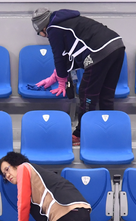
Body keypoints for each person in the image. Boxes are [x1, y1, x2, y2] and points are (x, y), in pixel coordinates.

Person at [31, 8, 125, 145]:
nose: (44, 36)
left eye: (40, 33)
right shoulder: (67, 21)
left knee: (86, 94)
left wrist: (62, 81)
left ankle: (81, 134)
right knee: (106, 94)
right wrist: (55, 76)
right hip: (117, 46)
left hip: (99, 51)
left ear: (42, 27)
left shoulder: (53, 29)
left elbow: (59, 57)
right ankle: (108, 132)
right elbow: (70, 58)